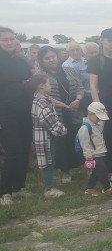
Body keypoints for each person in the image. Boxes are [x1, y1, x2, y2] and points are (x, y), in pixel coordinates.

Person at [37, 45, 84, 184]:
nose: (51, 60)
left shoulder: (69, 70)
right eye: (47, 58)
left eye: (53, 56)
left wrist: (77, 100)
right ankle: (65, 170)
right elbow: (44, 97)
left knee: (77, 138)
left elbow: (80, 87)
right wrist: (65, 106)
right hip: (56, 114)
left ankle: (82, 165)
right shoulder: (39, 76)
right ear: (41, 61)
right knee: (62, 143)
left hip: (74, 111)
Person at [87, 28, 112, 188]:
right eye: (110, 40)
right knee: (108, 138)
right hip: (105, 103)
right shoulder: (96, 60)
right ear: (102, 40)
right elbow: (93, 85)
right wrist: (98, 105)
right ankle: (111, 173)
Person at [0, 27, 33, 205]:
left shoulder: (21, 61)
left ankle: (19, 187)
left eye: (11, 39)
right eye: (5, 40)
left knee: (24, 150)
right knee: (13, 152)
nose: (9, 42)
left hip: (24, 111)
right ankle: (4, 192)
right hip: (5, 113)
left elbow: (28, 82)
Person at [29, 74, 67, 198]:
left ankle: (49, 186)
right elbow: (48, 120)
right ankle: (48, 189)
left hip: (47, 137)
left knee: (50, 161)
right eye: (48, 83)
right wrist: (62, 129)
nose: (50, 86)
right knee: (48, 163)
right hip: (46, 138)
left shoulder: (43, 99)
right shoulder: (41, 102)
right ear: (41, 86)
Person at [78, 102, 112, 196]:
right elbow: (84, 142)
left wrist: (104, 113)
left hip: (101, 152)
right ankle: (107, 188)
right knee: (103, 171)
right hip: (94, 154)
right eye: (98, 117)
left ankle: (90, 188)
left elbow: (102, 122)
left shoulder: (96, 124)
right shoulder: (85, 127)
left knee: (96, 173)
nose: (99, 119)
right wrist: (87, 154)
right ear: (90, 113)